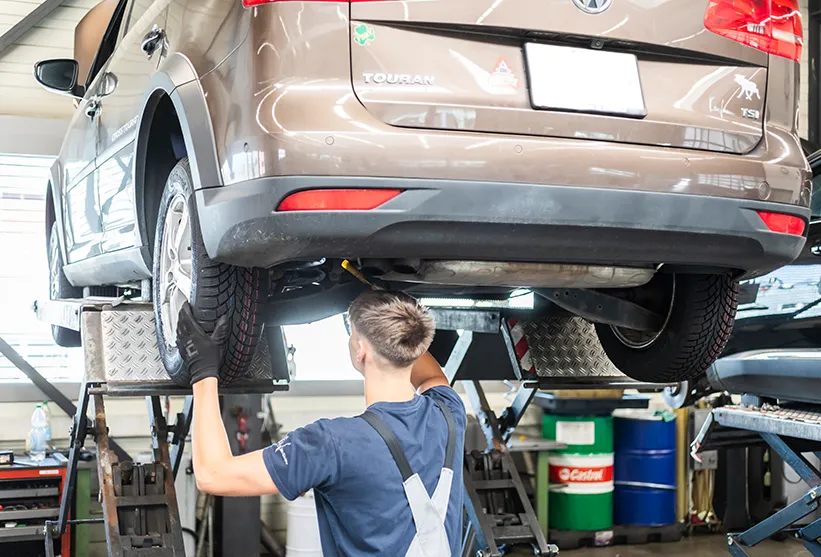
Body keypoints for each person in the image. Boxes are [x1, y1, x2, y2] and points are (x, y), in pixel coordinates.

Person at [176, 290, 467, 556]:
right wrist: (400, 322)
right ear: (415, 346)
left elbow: (212, 475)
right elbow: (432, 376)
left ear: (360, 350)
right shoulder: (449, 413)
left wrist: (203, 371)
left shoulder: (331, 443)